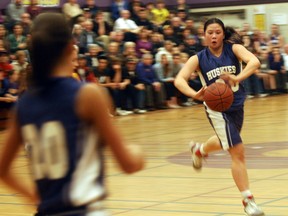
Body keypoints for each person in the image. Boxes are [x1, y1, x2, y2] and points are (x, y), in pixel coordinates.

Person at [0, 12, 144, 216]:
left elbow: (2, 170)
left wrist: (32, 197)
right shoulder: (88, 94)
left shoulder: (24, 105)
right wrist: (138, 153)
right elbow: (128, 164)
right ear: (70, 48)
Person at [174, 18, 265, 216]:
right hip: (216, 109)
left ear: (223, 34)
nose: (214, 36)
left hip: (237, 104)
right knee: (237, 151)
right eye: (210, 33)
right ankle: (248, 200)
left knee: (226, 142)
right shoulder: (198, 58)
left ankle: (200, 150)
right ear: (204, 35)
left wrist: (237, 78)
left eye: (217, 32)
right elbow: (179, 80)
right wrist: (194, 94)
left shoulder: (234, 49)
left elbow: (255, 62)